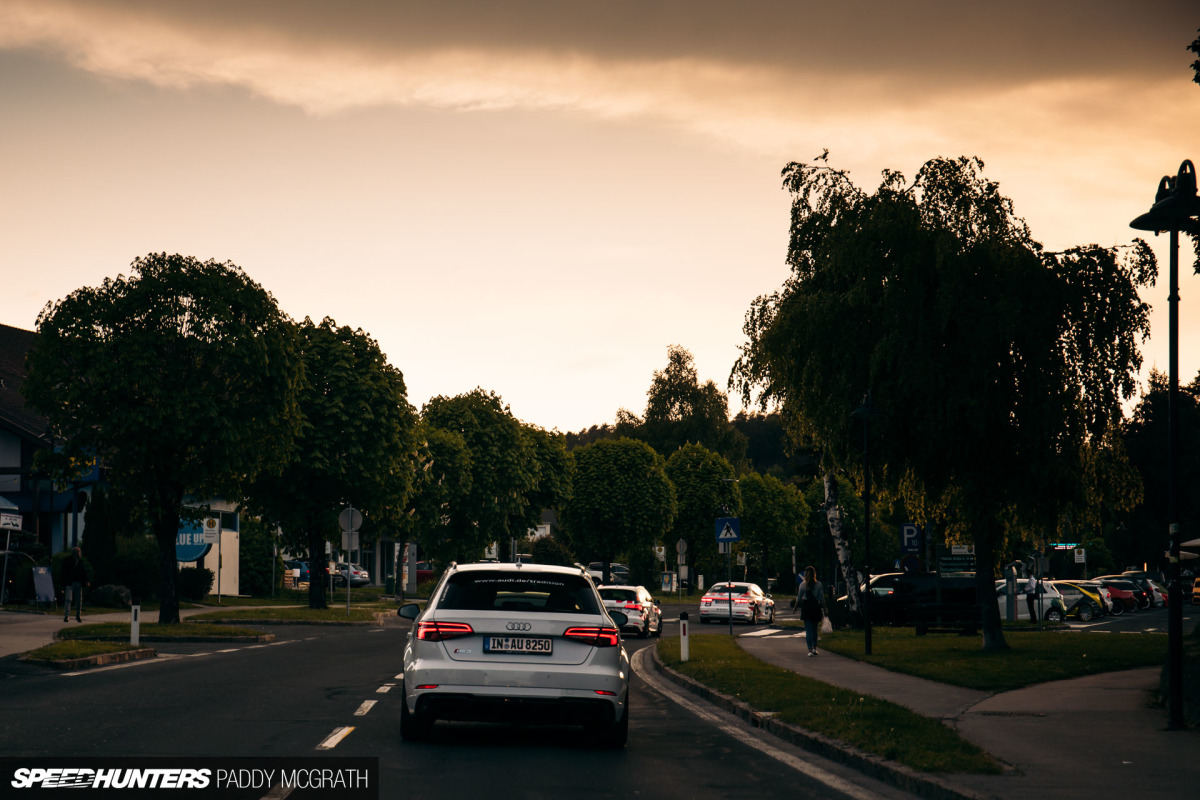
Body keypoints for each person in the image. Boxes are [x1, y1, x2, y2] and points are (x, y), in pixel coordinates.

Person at [795, 565, 827, 656]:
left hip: (806, 607)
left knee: (808, 629)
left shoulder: (802, 585)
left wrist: (795, 607)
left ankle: (809, 649)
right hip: (815, 607)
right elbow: (821, 598)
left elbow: (799, 597)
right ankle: (814, 648)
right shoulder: (818, 585)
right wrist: (825, 609)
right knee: (814, 629)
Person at [60, 546, 89, 622]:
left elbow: (84, 572)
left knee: (78, 600)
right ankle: (67, 615)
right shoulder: (68, 561)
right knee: (69, 599)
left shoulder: (80, 561)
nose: (79, 554)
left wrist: (86, 580)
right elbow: (64, 572)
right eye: (78, 552)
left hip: (78, 582)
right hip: (70, 582)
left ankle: (77, 615)